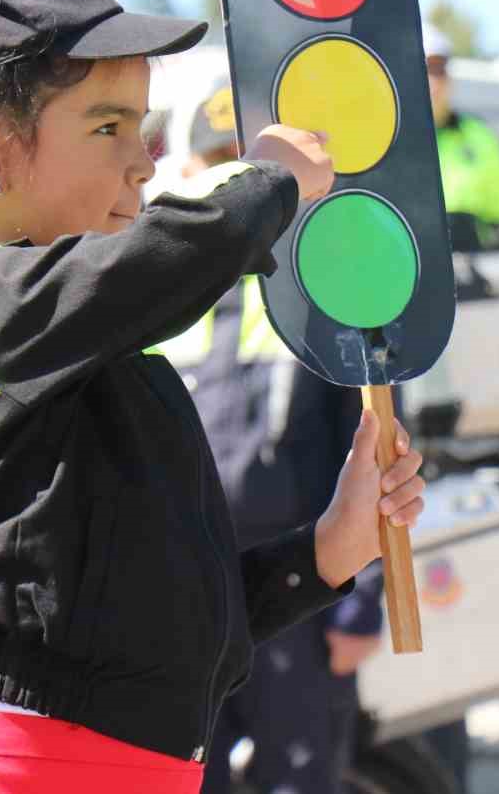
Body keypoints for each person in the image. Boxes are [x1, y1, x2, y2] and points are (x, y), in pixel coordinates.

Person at [0, 0, 428, 794]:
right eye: (109, 125)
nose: (147, 155)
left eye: (145, 125)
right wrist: (262, 182)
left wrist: (323, 555)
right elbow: (156, 265)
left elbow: (172, 629)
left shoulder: (100, 345)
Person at [160, 89, 387, 794]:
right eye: (215, 168)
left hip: (300, 598)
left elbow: (373, 450)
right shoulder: (153, 290)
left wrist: (360, 601)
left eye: (246, 168)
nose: (231, 186)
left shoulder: (328, 288)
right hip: (181, 601)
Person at [426, 25, 499, 253]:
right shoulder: (390, 143)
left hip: (470, 265)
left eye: (440, 69)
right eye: (426, 68)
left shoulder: (479, 134)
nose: (434, 80)